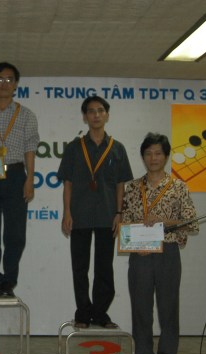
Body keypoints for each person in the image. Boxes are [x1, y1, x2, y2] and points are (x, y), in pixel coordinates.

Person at [122, 133, 198, 354]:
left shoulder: (178, 187)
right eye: (148, 153)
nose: (153, 158)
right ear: (142, 156)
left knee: (168, 309)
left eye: (157, 153)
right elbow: (126, 223)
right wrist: (136, 244)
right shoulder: (132, 188)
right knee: (140, 309)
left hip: (168, 253)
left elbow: (191, 222)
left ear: (165, 156)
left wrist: (163, 221)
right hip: (140, 255)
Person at [57, 95, 133, 329]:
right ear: (85, 117)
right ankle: (82, 313)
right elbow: (67, 183)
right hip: (79, 214)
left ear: (107, 115)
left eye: (100, 110)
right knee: (79, 267)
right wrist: (66, 212)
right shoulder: (74, 147)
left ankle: (100, 313)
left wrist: (119, 213)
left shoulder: (117, 148)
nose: (96, 115)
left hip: (107, 215)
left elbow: (120, 184)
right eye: (91, 111)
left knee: (104, 267)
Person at [0, 62, 39, 297]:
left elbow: (30, 148)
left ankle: (8, 282)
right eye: (0, 79)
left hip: (16, 174)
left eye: (9, 79)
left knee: (15, 234)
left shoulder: (26, 114)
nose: (4, 83)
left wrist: (29, 179)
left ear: (15, 85)